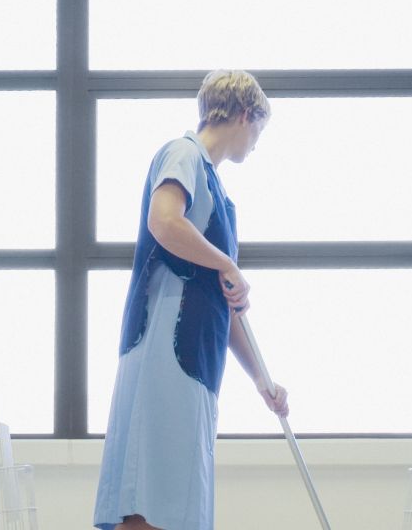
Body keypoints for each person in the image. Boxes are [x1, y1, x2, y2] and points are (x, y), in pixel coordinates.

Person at [93, 69, 289, 530]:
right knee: (150, 502)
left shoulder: (219, 195)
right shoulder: (182, 153)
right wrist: (228, 264)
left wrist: (262, 379)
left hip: (196, 362)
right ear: (246, 115)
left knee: (172, 505)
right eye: (259, 130)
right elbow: (163, 221)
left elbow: (223, 301)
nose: (256, 143)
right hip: (167, 350)